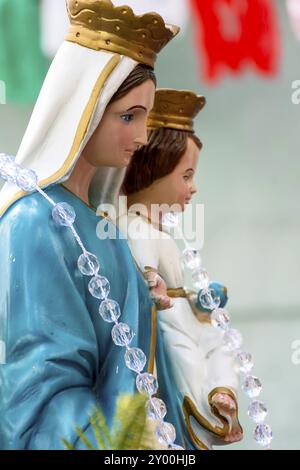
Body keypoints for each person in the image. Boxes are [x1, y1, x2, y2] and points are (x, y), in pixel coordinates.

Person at [0, 0, 178, 450]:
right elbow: (44, 388)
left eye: (145, 118)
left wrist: (144, 294)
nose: (141, 137)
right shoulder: (34, 221)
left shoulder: (101, 225)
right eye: (128, 116)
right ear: (85, 110)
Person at [119, 89, 243, 449]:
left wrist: (197, 301)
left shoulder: (157, 229)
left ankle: (221, 397)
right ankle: (211, 407)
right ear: (154, 170)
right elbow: (145, 276)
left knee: (218, 340)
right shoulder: (137, 227)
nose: (193, 188)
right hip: (170, 340)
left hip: (181, 325)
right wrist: (151, 282)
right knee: (199, 368)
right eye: (186, 176)